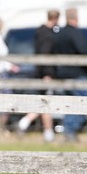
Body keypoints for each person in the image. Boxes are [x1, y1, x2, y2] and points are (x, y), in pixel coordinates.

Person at [50, 8, 87, 142]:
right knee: (86, 100)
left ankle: (69, 130)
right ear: (76, 18)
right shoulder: (75, 33)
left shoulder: (60, 34)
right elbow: (84, 51)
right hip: (76, 73)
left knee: (71, 103)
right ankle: (70, 129)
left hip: (62, 73)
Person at [17, 9, 58, 142]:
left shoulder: (39, 32)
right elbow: (45, 56)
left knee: (44, 101)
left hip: (39, 71)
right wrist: (47, 73)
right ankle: (43, 130)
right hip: (45, 73)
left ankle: (45, 130)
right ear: (56, 19)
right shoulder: (48, 35)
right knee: (46, 101)